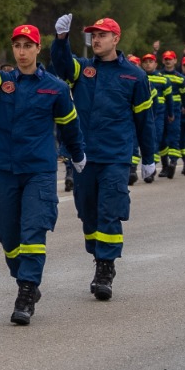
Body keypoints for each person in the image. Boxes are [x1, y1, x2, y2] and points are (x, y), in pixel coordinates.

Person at [0, 24, 85, 325]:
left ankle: (26, 291)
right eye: (17, 46)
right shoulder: (4, 82)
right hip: (6, 170)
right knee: (8, 235)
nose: (22, 52)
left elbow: (69, 124)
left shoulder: (55, 87)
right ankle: (24, 278)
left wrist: (77, 154)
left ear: (38, 49)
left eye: (28, 46)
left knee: (33, 230)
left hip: (39, 170)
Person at [49, 15, 153, 301]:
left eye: (102, 35)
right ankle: (99, 256)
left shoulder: (135, 75)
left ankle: (106, 268)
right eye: (93, 35)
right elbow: (61, 63)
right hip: (84, 157)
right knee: (88, 212)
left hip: (117, 157)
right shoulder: (82, 70)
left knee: (110, 210)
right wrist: (60, 40)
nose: (96, 39)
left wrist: (148, 157)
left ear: (116, 39)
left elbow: (145, 120)